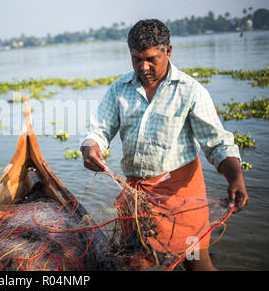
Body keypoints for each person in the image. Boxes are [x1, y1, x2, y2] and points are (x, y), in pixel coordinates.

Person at [80, 19, 249, 271]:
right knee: (134, 264)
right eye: (136, 59)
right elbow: (99, 130)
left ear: (168, 51)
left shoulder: (190, 91)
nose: (143, 66)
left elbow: (217, 144)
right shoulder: (119, 89)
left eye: (151, 59)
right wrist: (90, 147)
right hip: (138, 197)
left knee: (197, 265)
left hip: (181, 197)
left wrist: (236, 178)